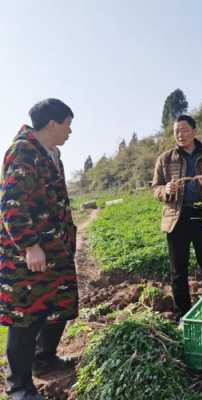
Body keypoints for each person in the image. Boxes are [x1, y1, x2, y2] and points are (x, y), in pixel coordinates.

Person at [0, 99, 78, 400]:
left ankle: (43, 360)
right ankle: (19, 387)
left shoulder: (52, 155)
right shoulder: (23, 151)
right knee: (25, 315)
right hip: (29, 254)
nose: (70, 131)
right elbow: (12, 205)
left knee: (60, 304)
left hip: (56, 248)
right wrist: (31, 246)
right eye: (68, 124)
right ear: (52, 124)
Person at [152, 115, 202, 322]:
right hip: (177, 218)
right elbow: (155, 189)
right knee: (178, 270)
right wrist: (165, 190)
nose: (180, 135)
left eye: (184, 130)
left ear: (194, 131)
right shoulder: (165, 159)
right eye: (176, 132)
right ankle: (181, 315)